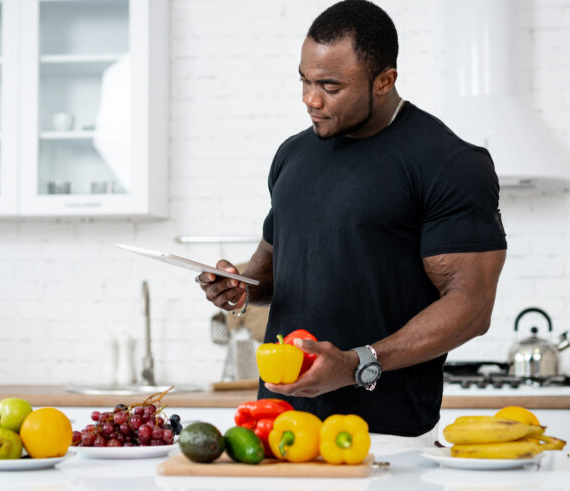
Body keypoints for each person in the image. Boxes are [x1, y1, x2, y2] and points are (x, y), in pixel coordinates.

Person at [195, 0, 507, 442]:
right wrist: (238, 287)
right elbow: (274, 270)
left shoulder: (448, 161)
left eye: (330, 85)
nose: (310, 98)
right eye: (304, 80)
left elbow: (472, 306)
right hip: (275, 421)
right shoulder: (293, 154)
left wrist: (358, 362)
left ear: (385, 80)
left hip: (385, 432)